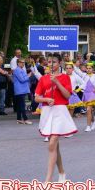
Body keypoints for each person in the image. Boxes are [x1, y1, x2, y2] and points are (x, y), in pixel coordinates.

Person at [34, 54, 77, 182]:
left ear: (60, 63)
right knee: (55, 146)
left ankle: (48, 179)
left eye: (54, 62)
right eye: (49, 62)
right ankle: (62, 172)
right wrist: (46, 99)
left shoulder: (65, 77)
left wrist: (57, 82)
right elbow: (36, 97)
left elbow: (67, 95)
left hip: (60, 111)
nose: (51, 64)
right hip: (47, 112)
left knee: (52, 143)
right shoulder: (43, 79)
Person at [13, 58, 32, 124]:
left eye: (24, 62)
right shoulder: (17, 70)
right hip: (20, 90)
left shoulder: (21, 69)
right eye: (21, 62)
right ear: (18, 63)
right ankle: (25, 119)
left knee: (19, 105)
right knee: (22, 105)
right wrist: (28, 76)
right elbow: (22, 79)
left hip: (21, 90)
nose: (23, 63)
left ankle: (19, 119)